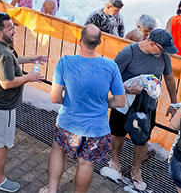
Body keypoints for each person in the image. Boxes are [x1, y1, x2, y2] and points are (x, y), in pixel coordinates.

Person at [44, 25, 127, 193]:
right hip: (96, 129)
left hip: (68, 123)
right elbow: (120, 102)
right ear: (99, 43)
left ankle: (52, 189)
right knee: (86, 163)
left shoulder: (65, 63)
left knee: (58, 150)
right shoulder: (110, 66)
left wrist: (69, 100)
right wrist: (103, 103)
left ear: (80, 40)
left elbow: (55, 98)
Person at [103, 29, 180, 191]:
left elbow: (170, 79)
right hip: (124, 103)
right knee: (118, 133)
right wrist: (126, 88)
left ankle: (136, 169)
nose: (165, 53)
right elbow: (111, 75)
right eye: (163, 49)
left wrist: (174, 104)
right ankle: (115, 160)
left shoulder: (163, 56)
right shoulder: (128, 52)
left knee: (142, 139)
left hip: (147, 106)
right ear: (152, 43)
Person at [0, 13, 42, 192]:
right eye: (10, 29)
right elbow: (6, 83)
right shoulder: (3, 52)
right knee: (1, 143)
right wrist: (29, 77)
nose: (14, 31)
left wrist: (30, 59)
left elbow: (6, 63)